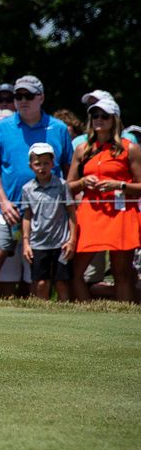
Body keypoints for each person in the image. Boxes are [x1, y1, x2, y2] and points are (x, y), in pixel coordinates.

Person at [0, 76, 72, 298]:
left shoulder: (58, 128)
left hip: (47, 212)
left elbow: (69, 169)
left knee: (40, 270)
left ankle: (39, 317)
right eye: (18, 96)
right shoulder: (1, 127)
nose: (22, 100)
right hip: (7, 208)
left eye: (28, 96)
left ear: (41, 98)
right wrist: (2, 201)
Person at [66, 96, 140, 303]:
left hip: (121, 213)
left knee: (122, 272)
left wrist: (119, 185)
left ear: (114, 119)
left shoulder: (130, 148)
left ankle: (124, 313)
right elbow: (67, 187)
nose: (98, 119)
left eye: (104, 116)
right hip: (90, 212)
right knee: (77, 272)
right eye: (94, 115)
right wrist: (83, 182)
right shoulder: (82, 149)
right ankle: (85, 312)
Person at [21, 143, 77, 301]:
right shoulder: (27, 189)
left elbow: (72, 213)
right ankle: (42, 315)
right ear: (31, 166)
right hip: (38, 243)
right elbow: (27, 216)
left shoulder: (62, 185)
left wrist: (72, 240)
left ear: (53, 164)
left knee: (62, 282)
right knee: (40, 282)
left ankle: (66, 312)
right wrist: (26, 242)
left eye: (46, 163)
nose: (42, 167)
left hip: (61, 242)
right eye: (37, 164)